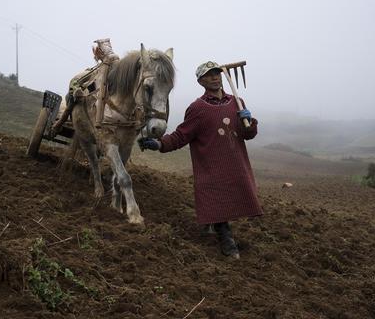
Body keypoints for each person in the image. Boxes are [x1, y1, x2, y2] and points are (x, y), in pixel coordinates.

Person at [138, 61, 262, 259]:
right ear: (200, 81)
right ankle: (226, 238)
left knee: (234, 196)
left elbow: (249, 135)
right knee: (215, 197)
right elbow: (181, 136)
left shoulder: (237, 103)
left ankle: (211, 222)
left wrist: (250, 122)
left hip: (235, 162)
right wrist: (160, 144)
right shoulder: (198, 109)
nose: (215, 77)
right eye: (209, 75)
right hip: (211, 165)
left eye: (216, 74)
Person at [50, 38, 119, 135]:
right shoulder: (96, 70)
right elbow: (75, 82)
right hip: (92, 96)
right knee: (70, 98)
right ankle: (60, 122)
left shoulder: (108, 68)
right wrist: (76, 90)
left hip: (103, 98)